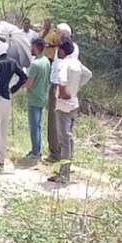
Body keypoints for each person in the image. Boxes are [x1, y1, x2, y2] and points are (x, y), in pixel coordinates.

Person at [49, 37, 92, 184]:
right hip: (74, 104)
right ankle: (66, 170)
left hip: (63, 105)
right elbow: (88, 74)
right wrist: (76, 87)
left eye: (58, 49)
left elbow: (62, 80)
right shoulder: (77, 63)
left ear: (62, 50)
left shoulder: (64, 64)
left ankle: (63, 174)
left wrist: (63, 92)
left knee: (64, 141)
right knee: (69, 139)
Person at [0, 36, 28, 172]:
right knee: (3, 131)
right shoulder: (13, 62)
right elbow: (23, 77)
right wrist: (13, 89)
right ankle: (1, 161)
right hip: (7, 99)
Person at [47, 23, 79, 162]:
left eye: (58, 32)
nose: (56, 35)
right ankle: (64, 157)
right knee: (65, 129)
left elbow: (62, 74)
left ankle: (57, 155)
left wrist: (60, 89)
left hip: (60, 87)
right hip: (64, 88)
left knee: (58, 125)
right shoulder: (61, 49)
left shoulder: (67, 52)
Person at [23, 38, 51, 159]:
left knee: (34, 126)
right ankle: (36, 150)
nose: (31, 49)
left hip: (34, 98)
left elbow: (29, 83)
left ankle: (35, 152)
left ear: (37, 47)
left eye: (32, 47)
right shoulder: (46, 61)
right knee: (38, 126)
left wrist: (22, 84)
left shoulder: (35, 64)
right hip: (42, 96)